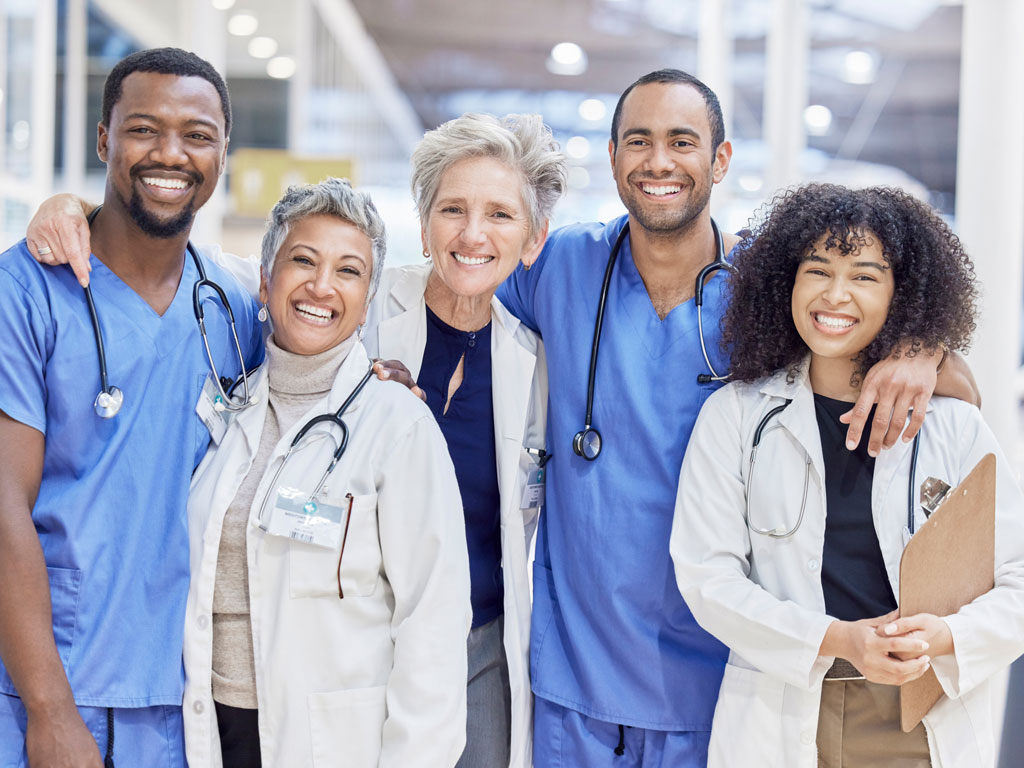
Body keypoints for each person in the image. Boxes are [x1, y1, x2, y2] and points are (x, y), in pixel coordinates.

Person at [496, 70, 980, 766]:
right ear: (612, 158)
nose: (659, 161)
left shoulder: (770, 286)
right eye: (638, 140)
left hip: (723, 682)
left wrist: (921, 352)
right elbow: (458, 295)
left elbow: (962, 387)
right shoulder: (564, 263)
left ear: (720, 161)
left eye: (682, 141)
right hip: (577, 681)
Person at [670, 183, 1024, 768]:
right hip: (782, 711)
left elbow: (1016, 578)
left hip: (917, 718)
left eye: (865, 276)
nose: (836, 295)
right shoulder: (736, 415)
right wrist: (838, 640)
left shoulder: (954, 425)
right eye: (818, 270)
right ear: (786, 281)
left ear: (901, 296)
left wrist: (944, 636)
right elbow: (708, 578)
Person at [0, 48, 261, 767]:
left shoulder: (232, 307)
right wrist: (50, 712)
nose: (170, 154)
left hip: (183, 702)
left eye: (198, 135)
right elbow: (2, 506)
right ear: (103, 139)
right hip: (45, 690)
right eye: (144, 129)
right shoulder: (24, 291)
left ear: (223, 152)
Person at [182, 177, 471, 767]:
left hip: (336, 745)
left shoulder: (398, 425)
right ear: (265, 280)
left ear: (367, 301)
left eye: (348, 271)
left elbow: (433, 623)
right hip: (213, 728)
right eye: (303, 260)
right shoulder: (225, 407)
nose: (321, 285)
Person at [363, 112, 565, 768]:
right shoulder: (358, 313)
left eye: (500, 215)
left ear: (532, 239)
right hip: (357, 634)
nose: (473, 234)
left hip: (479, 645)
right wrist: (77, 211)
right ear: (423, 225)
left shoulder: (533, 361)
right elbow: (243, 276)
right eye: (453, 208)